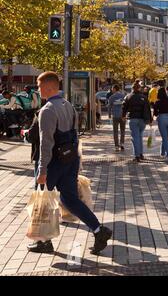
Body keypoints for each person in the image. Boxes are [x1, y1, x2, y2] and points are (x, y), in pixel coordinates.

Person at [32, 71, 112, 254]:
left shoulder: (47, 110)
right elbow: (74, 135)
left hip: (53, 163)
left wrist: (42, 170)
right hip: (70, 159)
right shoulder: (68, 105)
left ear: (48, 86)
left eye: (39, 86)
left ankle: (44, 241)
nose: (38, 89)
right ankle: (99, 230)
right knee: (70, 199)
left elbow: (46, 143)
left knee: (43, 200)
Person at [122, 82, 152, 162]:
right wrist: (150, 120)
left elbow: (124, 106)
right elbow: (148, 109)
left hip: (133, 119)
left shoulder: (128, 96)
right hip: (142, 120)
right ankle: (141, 154)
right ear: (139, 88)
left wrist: (123, 116)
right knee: (140, 137)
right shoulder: (144, 97)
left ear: (132, 88)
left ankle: (137, 156)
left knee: (135, 138)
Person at [154, 88, 168, 160]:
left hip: (162, 119)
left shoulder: (157, 102)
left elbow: (155, 114)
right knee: (165, 137)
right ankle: (162, 153)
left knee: (164, 138)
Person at [107, 84, 126, 152]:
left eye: (112, 89)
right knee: (122, 130)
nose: (112, 90)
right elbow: (126, 105)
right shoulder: (123, 96)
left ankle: (116, 146)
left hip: (115, 116)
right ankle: (122, 144)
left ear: (115, 89)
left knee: (115, 131)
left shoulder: (111, 97)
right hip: (122, 116)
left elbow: (109, 107)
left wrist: (109, 115)